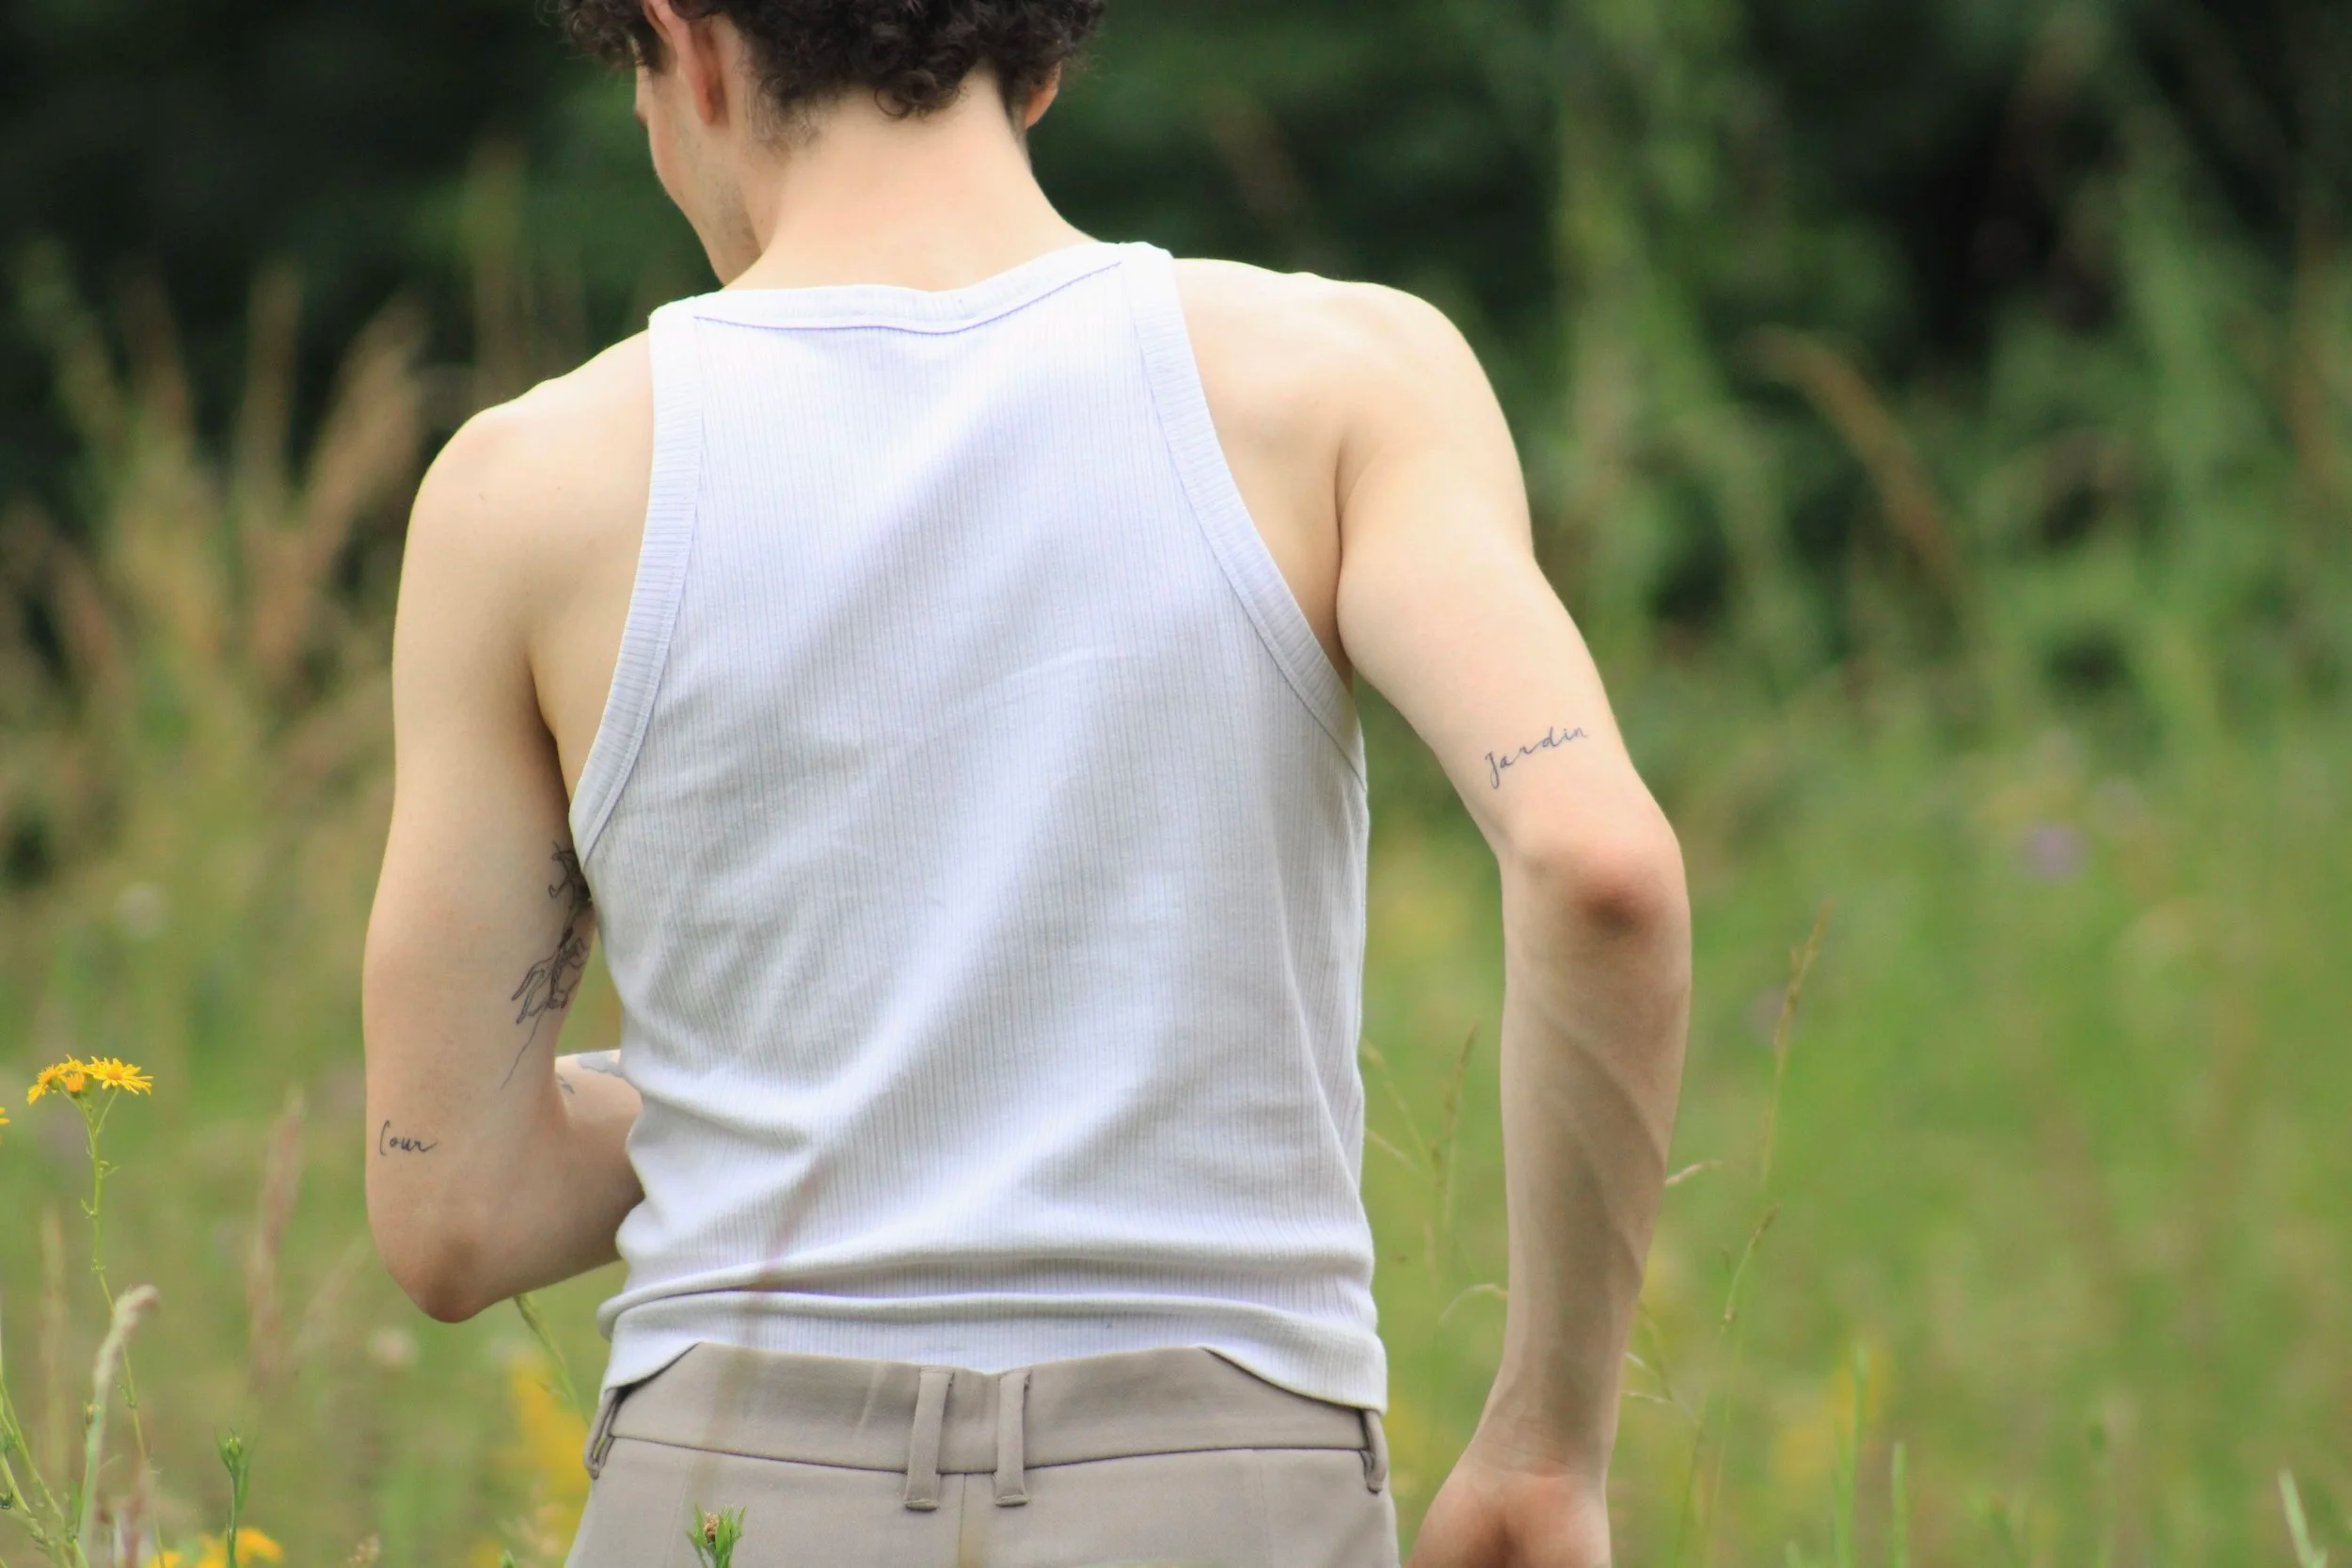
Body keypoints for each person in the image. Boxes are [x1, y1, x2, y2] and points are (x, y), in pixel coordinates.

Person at [359, 2, 1692, 1563]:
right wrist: (1547, 1449)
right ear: (1043, 59)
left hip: (728, 1488)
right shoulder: (1340, 383)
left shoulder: (526, 488)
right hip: (1222, 1482)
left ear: (689, 46)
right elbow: (1600, 863)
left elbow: (453, 1210)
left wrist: (822, 1079)